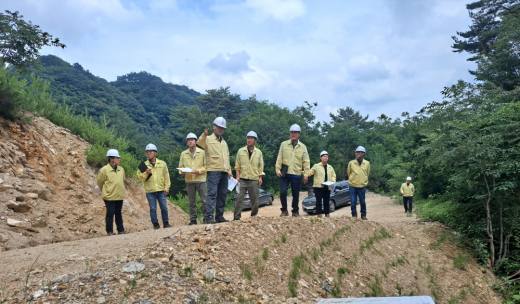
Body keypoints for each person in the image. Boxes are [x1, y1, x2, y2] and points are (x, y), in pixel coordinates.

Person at [198, 117, 232, 224]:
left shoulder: (224, 143)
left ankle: (219, 216)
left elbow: (226, 157)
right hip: (213, 170)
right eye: (219, 127)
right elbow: (199, 143)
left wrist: (229, 170)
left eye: (222, 128)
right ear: (214, 127)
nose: (221, 129)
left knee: (222, 194)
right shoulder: (208, 139)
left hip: (224, 171)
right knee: (212, 194)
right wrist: (204, 135)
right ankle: (208, 217)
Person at [275, 124, 311, 217]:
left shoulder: (303, 147)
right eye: (292, 132)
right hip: (284, 172)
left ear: (299, 134)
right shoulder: (284, 144)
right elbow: (279, 157)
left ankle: (295, 211)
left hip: (296, 173)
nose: (293, 134)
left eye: (295, 132)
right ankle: (284, 210)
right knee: (282, 192)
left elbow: (306, 162)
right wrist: (277, 169)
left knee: (296, 194)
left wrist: (306, 174)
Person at [137, 143, 171, 229]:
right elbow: (140, 178)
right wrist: (146, 173)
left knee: (164, 207)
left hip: (161, 190)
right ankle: (155, 224)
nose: (148, 154)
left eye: (150, 152)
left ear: (155, 153)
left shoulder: (162, 164)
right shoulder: (143, 165)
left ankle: (166, 223)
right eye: (147, 152)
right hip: (150, 191)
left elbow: (166, 177)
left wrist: (167, 188)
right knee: (152, 208)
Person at [234, 131, 265, 220]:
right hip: (242, 179)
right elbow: (237, 165)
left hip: (254, 179)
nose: (249, 140)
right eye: (248, 138)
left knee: (255, 200)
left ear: (255, 140)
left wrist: (260, 177)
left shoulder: (258, 152)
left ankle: (253, 216)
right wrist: (237, 176)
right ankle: (236, 218)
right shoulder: (240, 151)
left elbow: (261, 166)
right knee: (239, 199)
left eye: (251, 138)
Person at [178, 133, 207, 225]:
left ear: (195, 141)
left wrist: (198, 171)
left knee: (204, 200)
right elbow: (180, 167)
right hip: (189, 180)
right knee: (191, 201)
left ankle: (206, 218)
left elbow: (206, 166)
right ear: (187, 142)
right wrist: (182, 172)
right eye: (188, 140)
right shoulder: (183, 154)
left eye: (192, 139)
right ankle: (193, 220)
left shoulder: (202, 152)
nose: (190, 141)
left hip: (201, 179)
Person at [96, 149, 126, 235]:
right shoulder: (104, 170)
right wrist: (106, 190)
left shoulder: (121, 169)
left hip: (119, 195)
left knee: (118, 213)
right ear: (111, 159)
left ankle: (121, 230)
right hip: (109, 196)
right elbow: (100, 182)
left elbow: (122, 180)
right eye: (118, 158)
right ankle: (109, 231)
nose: (119, 159)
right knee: (110, 213)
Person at [305, 151, 336, 217]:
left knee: (326, 201)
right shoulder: (316, 166)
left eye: (327, 156)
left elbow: (334, 175)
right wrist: (306, 175)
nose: (325, 158)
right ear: (320, 158)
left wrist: (333, 181)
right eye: (324, 156)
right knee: (318, 201)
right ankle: (319, 215)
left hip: (327, 187)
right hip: (318, 187)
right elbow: (310, 172)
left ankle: (327, 214)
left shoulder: (330, 167)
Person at [346, 146, 370, 220]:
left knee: (362, 202)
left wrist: (364, 181)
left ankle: (363, 215)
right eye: (357, 152)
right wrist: (352, 180)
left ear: (364, 154)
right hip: (352, 186)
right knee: (353, 202)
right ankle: (354, 215)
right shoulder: (351, 163)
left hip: (362, 186)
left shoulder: (367, 163)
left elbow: (367, 173)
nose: (358, 154)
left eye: (360, 152)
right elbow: (348, 173)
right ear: (355, 153)